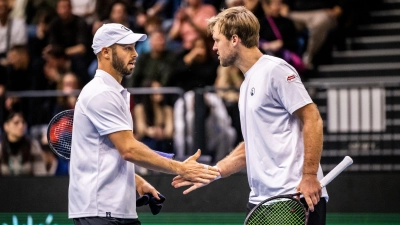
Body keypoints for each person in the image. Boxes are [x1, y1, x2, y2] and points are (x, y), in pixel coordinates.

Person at [171, 6, 327, 225]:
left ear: (234, 39)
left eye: (217, 40)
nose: (214, 47)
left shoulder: (276, 70)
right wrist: (214, 172)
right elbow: (253, 144)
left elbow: (312, 118)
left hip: (293, 196)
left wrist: (310, 176)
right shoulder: (246, 85)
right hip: (261, 201)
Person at [69, 23, 219, 224]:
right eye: (126, 48)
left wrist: (136, 181)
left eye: (133, 47)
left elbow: (108, 152)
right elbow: (128, 149)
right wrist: (181, 168)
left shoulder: (113, 92)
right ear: (105, 52)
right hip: (100, 210)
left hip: (116, 210)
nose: (135, 54)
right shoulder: (101, 93)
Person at [0, 111, 46, 176]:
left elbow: (41, 174)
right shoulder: (1, 148)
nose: (21, 126)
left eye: (23, 122)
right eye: (16, 123)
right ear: (6, 126)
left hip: (29, 185)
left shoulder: (33, 146)